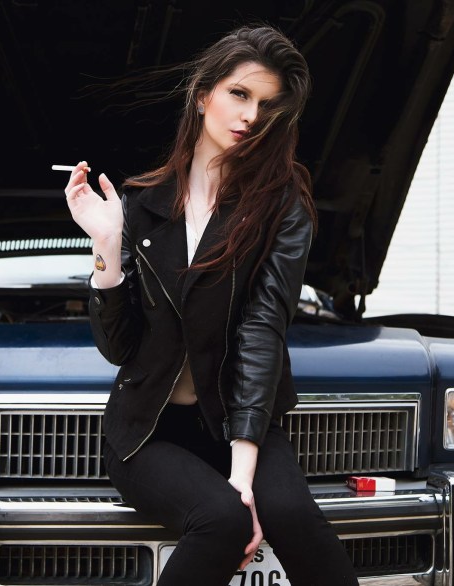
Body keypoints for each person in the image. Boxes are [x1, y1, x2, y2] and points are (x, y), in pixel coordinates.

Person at [65, 25, 359, 586]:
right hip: (149, 430)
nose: (251, 116)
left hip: (236, 422)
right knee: (222, 520)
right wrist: (106, 247)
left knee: (293, 515)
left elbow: (262, 330)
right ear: (203, 95)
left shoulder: (282, 205)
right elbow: (119, 347)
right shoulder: (141, 203)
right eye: (239, 94)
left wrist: (243, 473)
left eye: (267, 105)